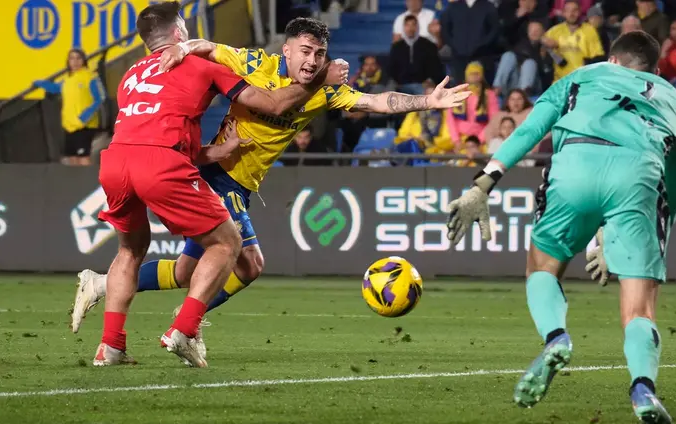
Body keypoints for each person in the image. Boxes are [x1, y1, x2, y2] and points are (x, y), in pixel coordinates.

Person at [71, 17, 470, 362]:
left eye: (319, 53)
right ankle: (185, 327)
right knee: (248, 263)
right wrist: (183, 48)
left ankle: (105, 284)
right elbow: (209, 47)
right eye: (305, 51)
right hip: (217, 176)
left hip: (241, 186)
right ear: (287, 51)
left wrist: (427, 101)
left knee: (185, 270)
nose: (312, 61)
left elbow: (378, 100)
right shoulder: (256, 63)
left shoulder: (326, 90)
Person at [75, 4, 350, 367]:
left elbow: (157, 130)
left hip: (115, 162)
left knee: (130, 250)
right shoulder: (202, 66)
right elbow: (273, 102)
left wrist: (220, 149)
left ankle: (110, 346)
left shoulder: (131, 74)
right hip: (160, 164)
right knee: (227, 243)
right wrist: (320, 78)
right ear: (177, 34)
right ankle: (185, 329)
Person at [446, 31, 676, 424]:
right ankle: (642, 386)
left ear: (612, 60)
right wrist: (653, 235)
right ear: (656, 70)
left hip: (576, 159)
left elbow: (528, 130)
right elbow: (675, 177)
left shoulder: (585, 75)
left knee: (541, 267)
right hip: (639, 177)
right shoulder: (673, 99)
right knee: (640, 307)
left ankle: (556, 336)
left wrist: (482, 184)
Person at [33, 49, 105, 166]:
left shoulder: (91, 77)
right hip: (70, 124)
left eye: (78, 58)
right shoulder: (67, 79)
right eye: (72, 58)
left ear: (83, 60)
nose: (75, 61)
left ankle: (90, 182)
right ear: (68, 61)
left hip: (85, 124)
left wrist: (87, 114)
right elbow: (55, 88)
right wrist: (40, 83)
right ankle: (78, 183)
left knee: (83, 157)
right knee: (72, 157)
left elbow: (101, 97)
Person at [543, 0, 606, 82]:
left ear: (580, 11)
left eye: (575, 10)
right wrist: (543, 41)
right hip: (559, 81)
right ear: (563, 13)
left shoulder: (590, 30)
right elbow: (540, 46)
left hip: (582, 80)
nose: (571, 14)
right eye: (568, 10)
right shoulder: (554, 31)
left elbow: (598, 57)